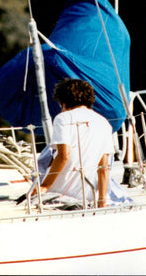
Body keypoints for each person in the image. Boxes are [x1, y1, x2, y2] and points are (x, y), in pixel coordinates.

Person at [35, 78, 114, 208]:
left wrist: (44, 186)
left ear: (63, 101)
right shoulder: (104, 122)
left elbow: (63, 156)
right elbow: (104, 166)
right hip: (87, 197)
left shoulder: (63, 118)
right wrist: (101, 200)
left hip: (57, 194)